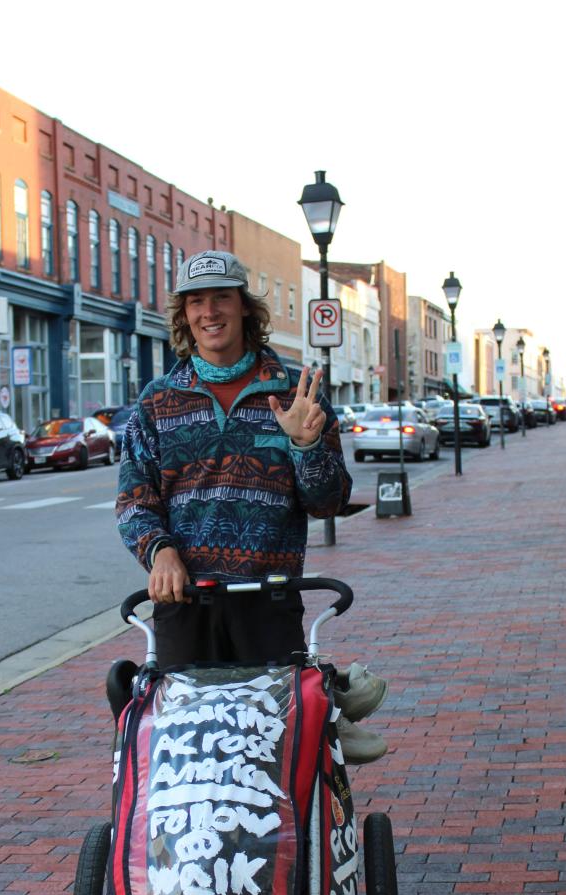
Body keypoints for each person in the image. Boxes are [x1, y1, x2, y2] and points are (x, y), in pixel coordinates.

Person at [115, 250, 387, 762]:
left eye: (221, 297)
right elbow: (134, 498)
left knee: (273, 749)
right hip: (184, 605)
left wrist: (305, 447)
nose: (209, 312)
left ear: (244, 307)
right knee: (185, 751)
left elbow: (329, 501)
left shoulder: (295, 394)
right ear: (183, 315)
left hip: (269, 600)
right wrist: (159, 551)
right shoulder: (157, 402)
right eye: (196, 301)